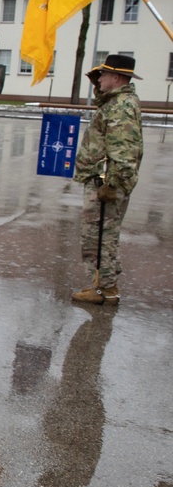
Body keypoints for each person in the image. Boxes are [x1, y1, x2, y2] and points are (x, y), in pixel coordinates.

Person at [71, 54, 144, 305]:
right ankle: (106, 286)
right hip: (104, 179)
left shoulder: (121, 106)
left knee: (99, 236)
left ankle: (104, 289)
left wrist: (112, 185)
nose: (99, 78)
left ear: (116, 77)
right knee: (103, 235)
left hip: (106, 183)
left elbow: (123, 150)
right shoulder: (117, 102)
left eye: (103, 74)